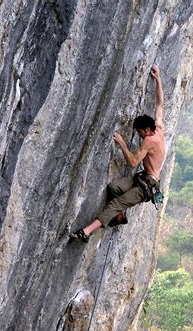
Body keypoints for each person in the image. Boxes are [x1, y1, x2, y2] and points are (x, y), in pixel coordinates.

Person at [69, 65, 166, 243]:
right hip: (143, 178)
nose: (138, 135)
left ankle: (85, 232)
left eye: (139, 132)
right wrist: (158, 79)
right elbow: (160, 104)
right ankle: (119, 216)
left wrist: (122, 143)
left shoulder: (150, 141)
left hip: (147, 186)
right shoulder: (158, 128)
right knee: (114, 188)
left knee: (115, 203)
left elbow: (132, 162)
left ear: (146, 130)